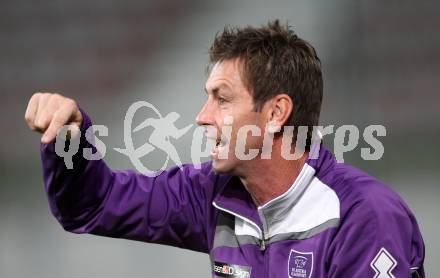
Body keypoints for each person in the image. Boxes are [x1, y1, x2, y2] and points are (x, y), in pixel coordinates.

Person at [24, 20, 425, 277]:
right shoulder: (211, 194)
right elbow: (93, 205)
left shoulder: (364, 216)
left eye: (222, 98)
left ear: (275, 113)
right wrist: (69, 141)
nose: (201, 116)